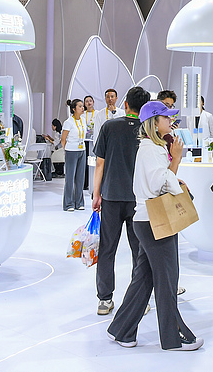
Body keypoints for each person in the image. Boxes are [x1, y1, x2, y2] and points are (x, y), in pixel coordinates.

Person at [106, 101, 201, 351]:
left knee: (144, 279)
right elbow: (160, 183)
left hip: (147, 221)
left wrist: (172, 171)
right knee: (167, 279)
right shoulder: (152, 149)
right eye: (166, 118)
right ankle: (174, 338)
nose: (170, 121)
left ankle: (121, 330)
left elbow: (157, 178)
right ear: (154, 122)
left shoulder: (151, 148)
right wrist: (176, 163)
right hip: (154, 221)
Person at [92, 86, 150, 315]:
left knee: (107, 248)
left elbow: (100, 164)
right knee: (140, 250)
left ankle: (105, 299)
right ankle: (140, 300)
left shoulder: (109, 126)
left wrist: (97, 194)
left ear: (125, 103)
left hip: (112, 196)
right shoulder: (148, 131)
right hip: (139, 200)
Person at [60, 99, 88, 211]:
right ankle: (68, 204)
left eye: (82, 106)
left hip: (82, 149)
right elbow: (63, 139)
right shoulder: (68, 122)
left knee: (80, 178)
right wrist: (66, 150)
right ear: (74, 109)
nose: (82, 108)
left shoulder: (83, 120)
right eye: (80, 106)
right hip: (71, 151)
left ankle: (79, 202)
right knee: (70, 178)